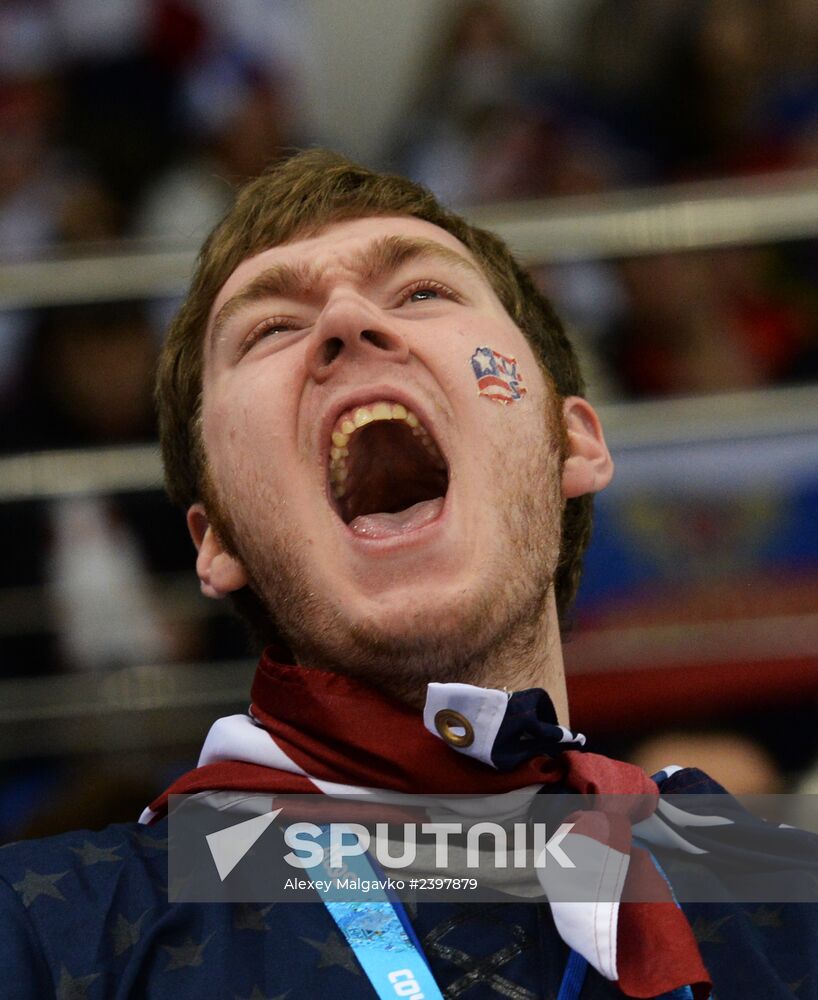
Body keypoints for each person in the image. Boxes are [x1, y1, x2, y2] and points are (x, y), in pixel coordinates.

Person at [1, 150, 816, 1000]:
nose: (347, 322)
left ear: (573, 441)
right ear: (215, 538)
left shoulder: (775, 898)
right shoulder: (51, 935)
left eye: (424, 292)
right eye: (271, 328)